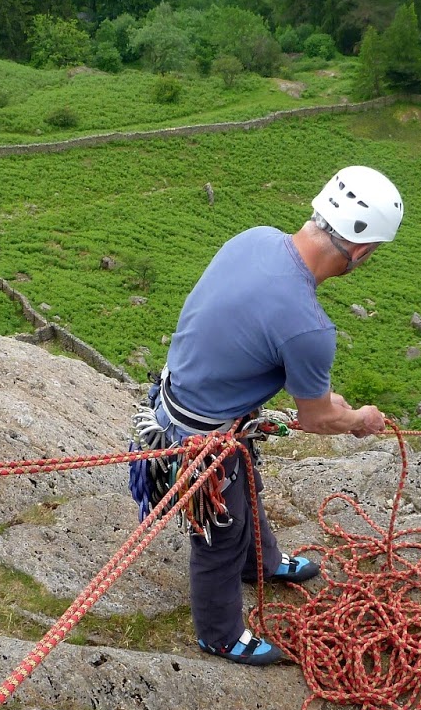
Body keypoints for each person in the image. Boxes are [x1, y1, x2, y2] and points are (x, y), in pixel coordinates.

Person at [131, 166, 403, 667]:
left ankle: (263, 564)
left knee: (246, 487)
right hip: (201, 439)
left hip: (179, 401)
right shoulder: (309, 326)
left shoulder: (255, 238)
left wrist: (324, 400)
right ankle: (218, 633)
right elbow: (317, 419)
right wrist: (359, 418)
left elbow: (248, 336)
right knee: (220, 534)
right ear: (363, 251)